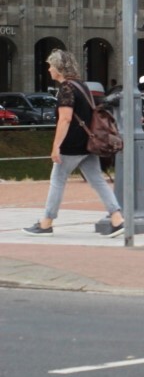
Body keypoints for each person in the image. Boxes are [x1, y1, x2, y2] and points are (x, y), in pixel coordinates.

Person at [23, 50, 124, 237]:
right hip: (88, 142)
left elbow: (65, 119)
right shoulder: (81, 85)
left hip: (72, 144)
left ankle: (46, 223)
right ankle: (117, 218)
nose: (49, 69)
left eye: (51, 65)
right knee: (97, 181)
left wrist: (56, 147)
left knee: (57, 181)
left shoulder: (66, 89)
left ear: (59, 69)